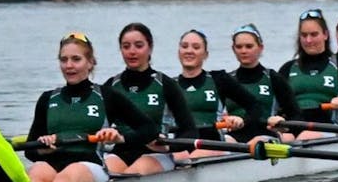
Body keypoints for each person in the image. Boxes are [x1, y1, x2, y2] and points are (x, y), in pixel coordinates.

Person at [24, 33, 159, 182]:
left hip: (91, 164)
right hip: (53, 162)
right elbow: (29, 151)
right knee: (34, 176)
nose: (68, 65)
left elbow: (150, 129)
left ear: (90, 62)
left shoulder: (106, 95)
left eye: (76, 59)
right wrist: (41, 149)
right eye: (63, 60)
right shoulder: (47, 98)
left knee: (66, 177)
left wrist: (121, 138)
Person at [102, 22, 198, 174]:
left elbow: (190, 132)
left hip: (157, 153)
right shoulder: (111, 86)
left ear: (150, 48)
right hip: (121, 152)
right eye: (126, 46)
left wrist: (169, 147)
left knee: (134, 172)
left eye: (139, 46)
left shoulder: (165, 84)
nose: (132, 51)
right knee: (106, 170)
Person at [279, 8, 338, 138]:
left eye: (314, 35)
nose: (308, 40)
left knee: (305, 136)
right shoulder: (287, 68)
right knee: (282, 138)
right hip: (293, 129)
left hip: (329, 127)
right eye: (304, 35)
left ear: (325, 35)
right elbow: (275, 105)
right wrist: (277, 118)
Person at [175, 28, 260, 157]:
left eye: (196, 47)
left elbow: (254, 106)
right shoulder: (169, 84)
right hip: (180, 145)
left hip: (213, 143)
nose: (189, 51)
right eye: (184, 46)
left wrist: (242, 120)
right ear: (179, 52)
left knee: (191, 156)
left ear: (205, 54)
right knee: (178, 156)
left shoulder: (219, 79)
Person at [227, 23, 299, 141]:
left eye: (249, 46)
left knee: (257, 141)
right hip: (234, 137)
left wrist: (282, 122)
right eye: (239, 47)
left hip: (266, 134)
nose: (243, 51)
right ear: (233, 49)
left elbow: (295, 115)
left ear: (260, 48)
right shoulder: (227, 80)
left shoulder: (273, 78)